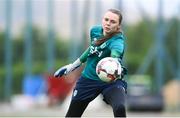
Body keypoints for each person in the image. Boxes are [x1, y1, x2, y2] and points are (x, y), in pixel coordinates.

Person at [54, 8, 128, 117]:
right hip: (88, 79)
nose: (108, 23)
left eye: (113, 22)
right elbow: (92, 49)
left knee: (120, 108)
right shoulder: (95, 31)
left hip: (111, 81)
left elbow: (116, 53)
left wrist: (114, 61)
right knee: (72, 115)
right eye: (106, 19)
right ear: (102, 20)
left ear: (118, 26)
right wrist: (72, 66)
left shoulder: (117, 41)